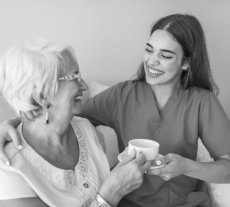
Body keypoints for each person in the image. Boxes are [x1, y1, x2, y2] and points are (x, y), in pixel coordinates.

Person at [0, 13, 230, 207]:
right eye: (149, 50)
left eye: (165, 55)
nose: (152, 61)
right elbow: (57, 114)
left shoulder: (202, 102)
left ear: (186, 63)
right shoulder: (123, 95)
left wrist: (187, 167)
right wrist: (12, 123)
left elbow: (227, 167)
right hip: (127, 202)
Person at [0, 41, 151, 207]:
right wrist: (111, 193)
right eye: (74, 78)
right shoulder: (9, 167)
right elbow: (109, 194)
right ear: (41, 96)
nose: (84, 85)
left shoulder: (86, 130)